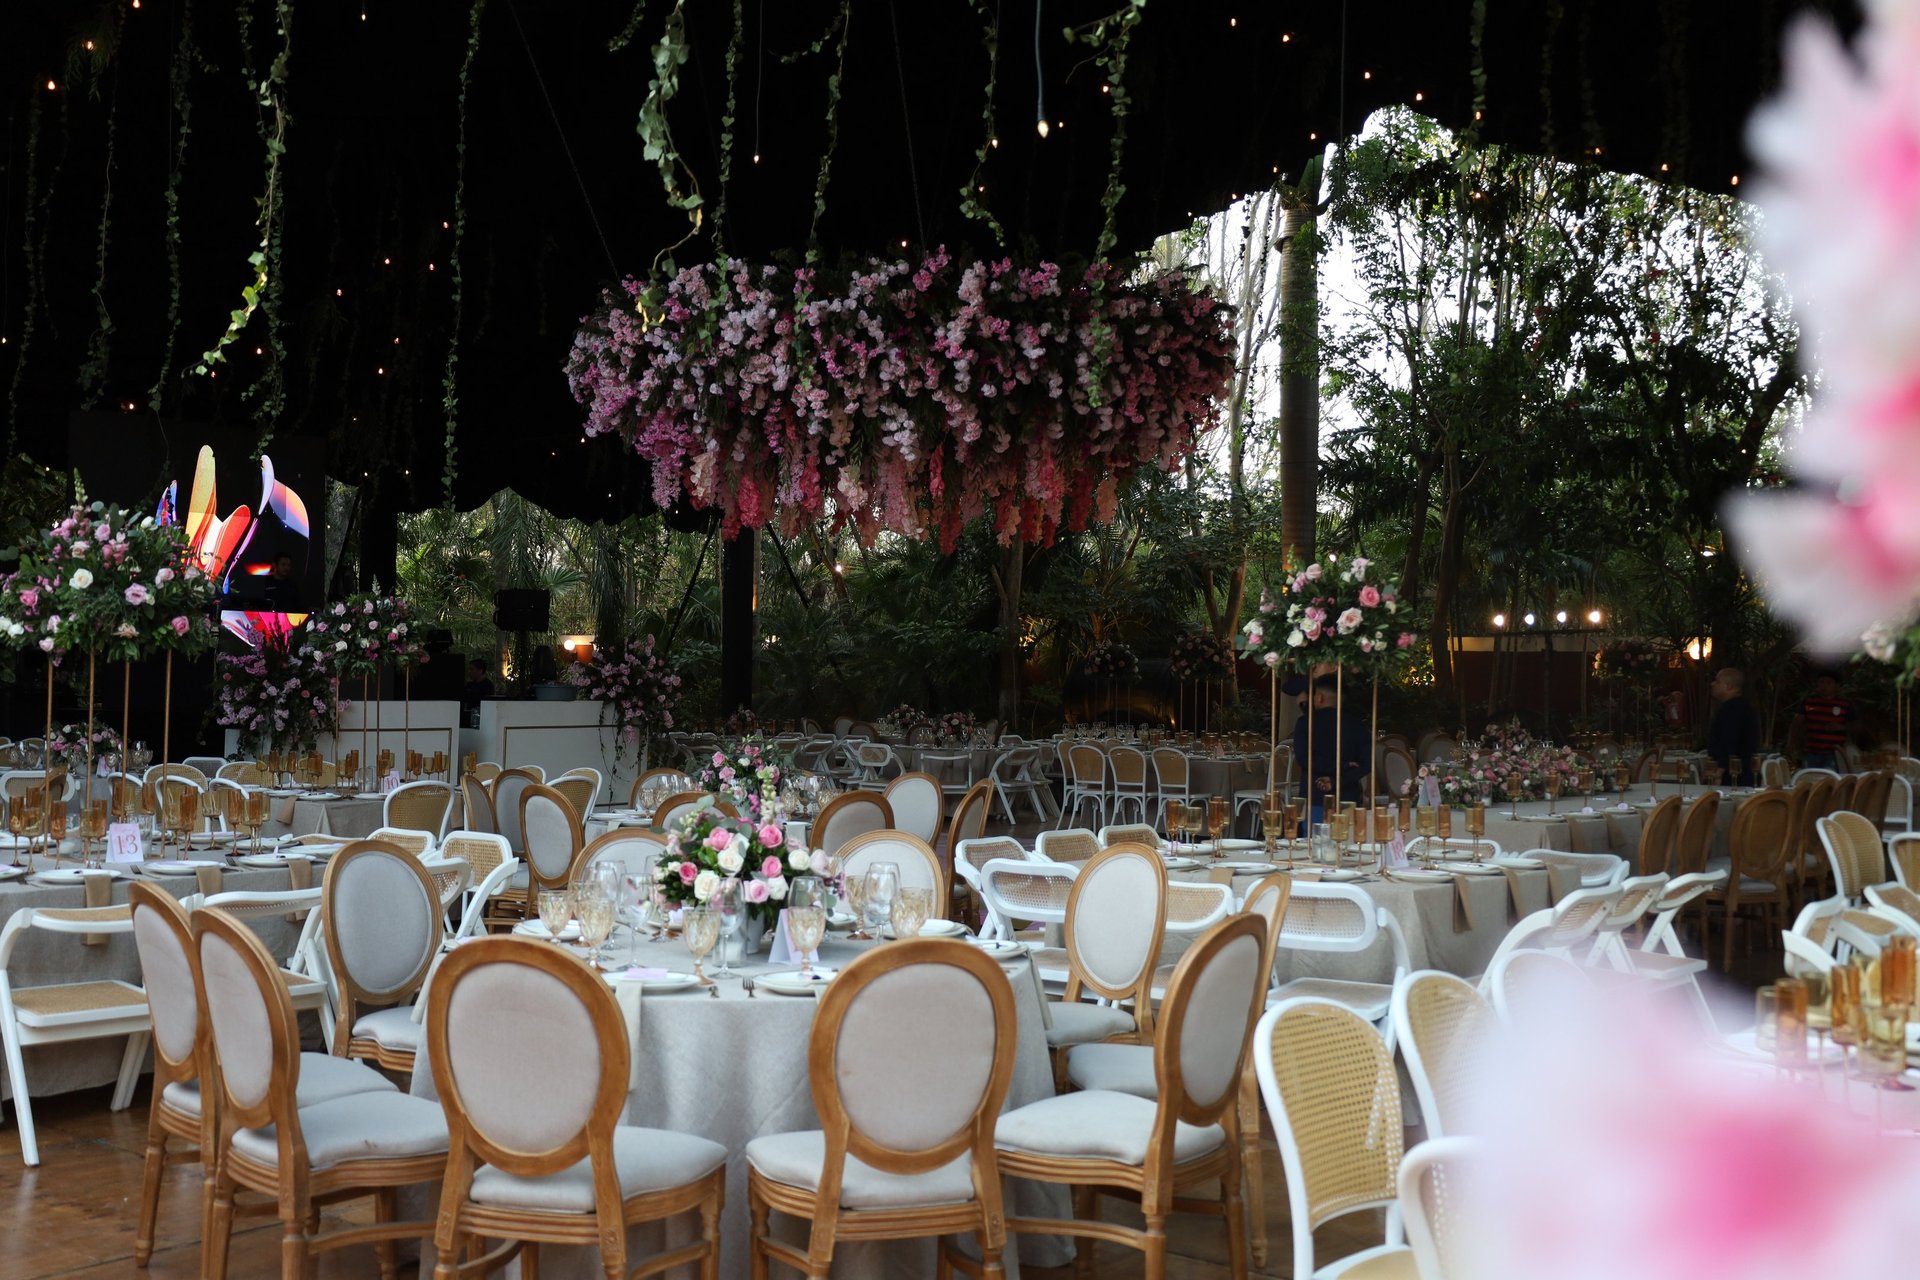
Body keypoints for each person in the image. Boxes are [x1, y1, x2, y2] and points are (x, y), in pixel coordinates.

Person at [1289, 672, 1370, 821]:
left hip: (1314, 795)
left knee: (1312, 834)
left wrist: (1338, 766)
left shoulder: (1305, 723)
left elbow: (1304, 758)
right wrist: (1340, 776)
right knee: (1346, 834)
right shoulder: (1359, 726)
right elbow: (1366, 764)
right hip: (1347, 797)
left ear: (1319, 697)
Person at [1705, 667, 1760, 786]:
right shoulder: (1745, 706)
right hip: (1745, 773)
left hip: (1733, 777)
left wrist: (1719, 771)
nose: (1712, 684)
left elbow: (1728, 740)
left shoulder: (1731, 710)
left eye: (1717, 681)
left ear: (1728, 686)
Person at [1793, 672, 1853, 770]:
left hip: (1834, 754)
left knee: (1831, 778)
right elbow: (1796, 724)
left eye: (1828, 683)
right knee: (1810, 778)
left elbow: (1857, 727)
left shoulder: (1845, 704)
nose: (1824, 686)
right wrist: (1792, 744)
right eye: (1821, 682)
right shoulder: (1808, 702)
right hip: (1812, 753)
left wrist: (1841, 727)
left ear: (1836, 686)